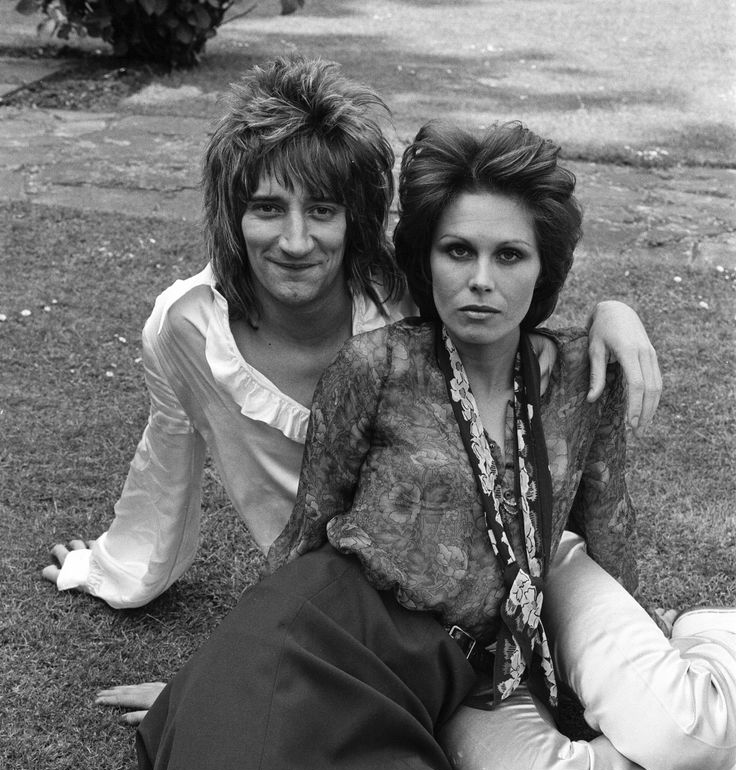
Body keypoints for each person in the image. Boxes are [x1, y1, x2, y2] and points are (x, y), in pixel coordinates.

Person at [7, 116, 724, 770]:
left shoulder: (578, 375)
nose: (482, 279)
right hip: (302, 659)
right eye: (457, 252)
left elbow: (604, 538)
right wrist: (208, 684)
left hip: (414, 704)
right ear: (424, 260)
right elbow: (309, 533)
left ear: (545, 270)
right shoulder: (375, 363)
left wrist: (623, 671)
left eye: (511, 259)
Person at [41, 55, 660, 617]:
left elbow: (496, 316)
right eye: (265, 208)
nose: (295, 241)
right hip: (337, 601)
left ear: (356, 218)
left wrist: (610, 312)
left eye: (322, 210)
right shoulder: (186, 329)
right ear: (231, 215)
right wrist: (115, 570)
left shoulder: (399, 302)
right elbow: (168, 449)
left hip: (472, 572)